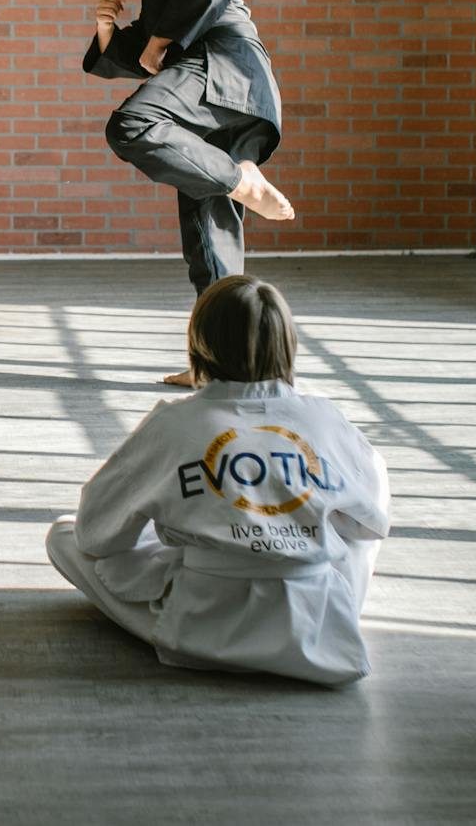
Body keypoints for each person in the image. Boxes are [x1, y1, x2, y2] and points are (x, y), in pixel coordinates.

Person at [46, 275, 391, 684]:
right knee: (368, 484)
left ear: (199, 342)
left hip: (203, 626)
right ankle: (317, 599)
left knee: (63, 535)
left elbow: (95, 534)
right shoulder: (325, 416)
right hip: (317, 626)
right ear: (288, 345)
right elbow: (369, 524)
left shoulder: (173, 423)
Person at [87, 0, 294, 385]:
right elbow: (146, 53)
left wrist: (157, 41)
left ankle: (239, 179)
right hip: (215, 94)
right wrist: (110, 32)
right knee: (208, 238)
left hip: (224, 72)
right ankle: (223, 367)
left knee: (132, 124)